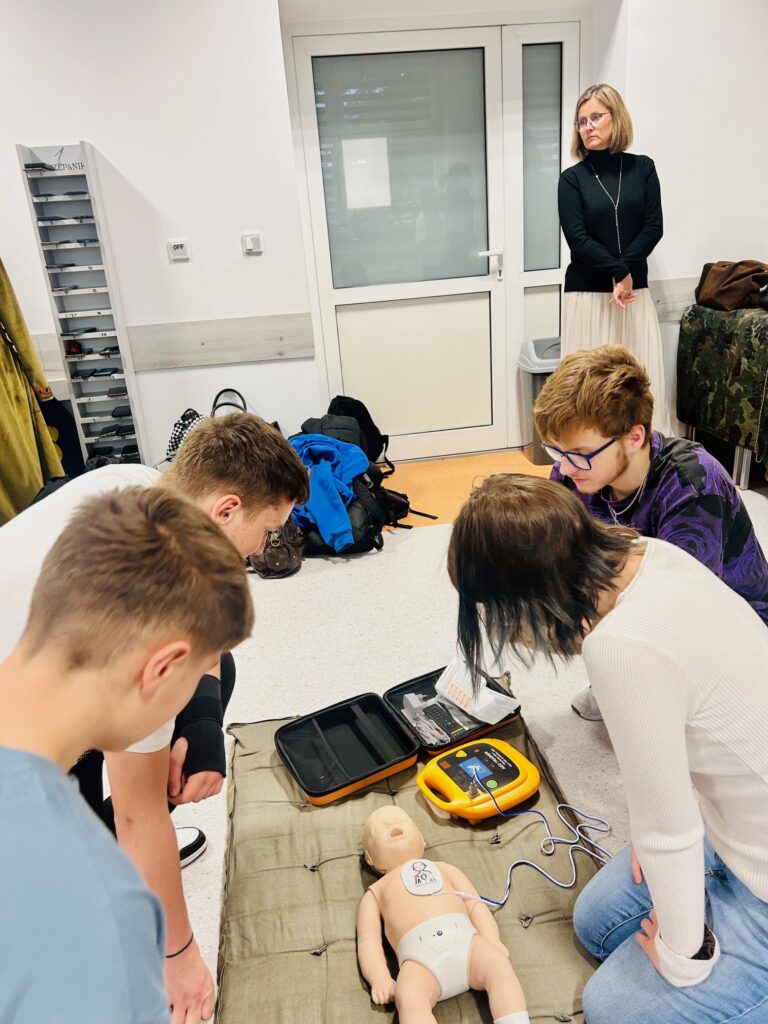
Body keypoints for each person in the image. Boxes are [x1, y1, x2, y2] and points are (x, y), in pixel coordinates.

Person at [0, 412, 309, 1023]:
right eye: (267, 530)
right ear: (226, 509)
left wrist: (201, 725)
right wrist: (178, 955)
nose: (261, 550)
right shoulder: (136, 624)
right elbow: (139, 813)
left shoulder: (136, 489)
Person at [448, 473, 768, 1023]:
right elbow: (683, 756)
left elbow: (668, 831)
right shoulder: (651, 554)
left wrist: (683, 957)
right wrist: (659, 839)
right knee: (596, 921)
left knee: (612, 1007)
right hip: (733, 824)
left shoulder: (620, 646)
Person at [533, 345, 768, 720]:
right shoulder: (574, 471)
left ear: (633, 437)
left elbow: (676, 607)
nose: (565, 467)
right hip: (667, 611)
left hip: (736, 630)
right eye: (557, 452)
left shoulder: (693, 484)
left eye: (578, 453)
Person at [558, 83, 672, 433]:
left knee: (638, 387)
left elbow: (654, 227)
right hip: (588, 297)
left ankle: (647, 459)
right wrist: (620, 270)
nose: (588, 127)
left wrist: (625, 272)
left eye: (595, 117)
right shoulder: (572, 179)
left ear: (616, 117)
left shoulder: (643, 168)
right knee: (587, 393)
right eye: (581, 121)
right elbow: (577, 239)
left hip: (633, 295)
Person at [358, 805, 529, 1024]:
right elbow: (368, 941)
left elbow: (475, 905)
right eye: (379, 829)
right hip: (418, 960)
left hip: (468, 943)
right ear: (370, 858)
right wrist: (379, 977)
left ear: (422, 839)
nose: (393, 825)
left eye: (402, 820)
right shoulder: (375, 893)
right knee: (408, 997)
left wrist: (492, 939)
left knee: (499, 967)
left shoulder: (445, 868)